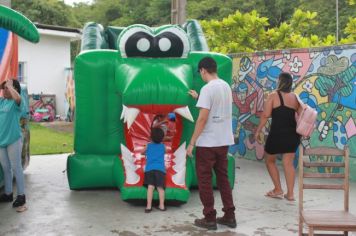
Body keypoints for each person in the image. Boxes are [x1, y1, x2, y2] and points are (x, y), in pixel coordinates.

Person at [187, 57, 236, 230]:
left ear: (202, 70)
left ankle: (209, 217)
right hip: (224, 141)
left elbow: (202, 118)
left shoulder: (207, 89)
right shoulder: (225, 86)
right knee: (223, 179)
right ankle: (230, 215)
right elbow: (217, 107)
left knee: (205, 180)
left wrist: (192, 142)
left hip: (207, 143)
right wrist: (198, 97)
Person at [254, 72, 301, 201]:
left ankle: (278, 189)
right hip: (293, 135)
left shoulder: (273, 95)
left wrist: (258, 131)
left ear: (280, 82)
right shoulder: (295, 98)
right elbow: (300, 115)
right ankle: (290, 194)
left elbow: (265, 115)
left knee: (269, 160)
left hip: (277, 134)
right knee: (288, 163)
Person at [0, 79, 27, 210]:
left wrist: (11, 87)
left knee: (16, 167)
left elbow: (18, 98)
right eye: (3, 88)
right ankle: (8, 193)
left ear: (13, 89)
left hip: (13, 139)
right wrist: (7, 87)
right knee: (6, 168)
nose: (4, 90)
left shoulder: (16, 103)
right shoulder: (2, 101)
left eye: (6, 88)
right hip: (1, 141)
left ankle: (21, 196)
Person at [142, 127, 166, 213]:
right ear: (162, 138)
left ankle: (148, 207)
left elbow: (142, 152)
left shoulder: (148, 145)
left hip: (150, 169)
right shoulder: (163, 146)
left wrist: (146, 150)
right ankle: (162, 206)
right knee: (160, 188)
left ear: (151, 137)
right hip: (160, 170)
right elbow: (164, 152)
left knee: (150, 187)